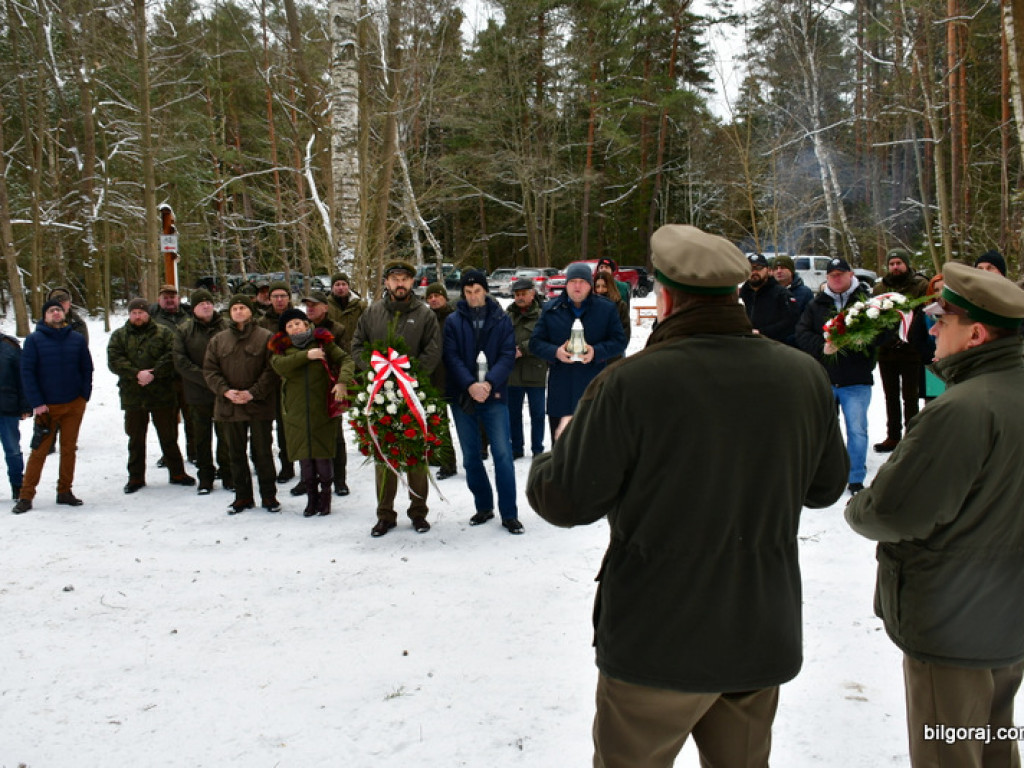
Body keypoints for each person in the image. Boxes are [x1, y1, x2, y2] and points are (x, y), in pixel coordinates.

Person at [527, 224, 849, 766]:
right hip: (757, 626)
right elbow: (824, 488)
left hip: (657, 637)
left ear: (667, 297)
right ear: (735, 294)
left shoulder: (631, 383)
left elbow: (565, 501)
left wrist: (554, 454)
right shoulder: (802, 375)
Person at [846, 262, 1024, 768]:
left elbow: (893, 512)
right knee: (992, 741)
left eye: (943, 320)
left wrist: (859, 507)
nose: (931, 328)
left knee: (949, 749)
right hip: (1007, 613)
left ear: (976, 335)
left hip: (953, 617)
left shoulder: (962, 409)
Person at [351, 259, 441, 537]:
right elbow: (357, 345)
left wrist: (408, 376)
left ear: (412, 282)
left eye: (405, 279)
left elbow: (433, 350)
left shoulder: (425, 314)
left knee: (415, 457)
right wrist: (376, 371)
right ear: (387, 283)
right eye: (395, 279)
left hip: (413, 393)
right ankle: (385, 514)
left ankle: (418, 512)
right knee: (384, 455)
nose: (399, 283)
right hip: (379, 393)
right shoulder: (372, 313)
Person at [443, 270, 523, 534]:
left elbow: (507, 353)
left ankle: (509, 513)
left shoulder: (501, 319)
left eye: (477, 291)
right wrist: (470, 385)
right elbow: (451, 356)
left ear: (485, 290)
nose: (473, 297)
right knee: (470, 457)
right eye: (468, 292)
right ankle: (484, 506)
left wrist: (488, 383)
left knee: (502, 454)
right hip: (464, 395)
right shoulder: (454, 321)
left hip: (495, 394)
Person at [796, 257, 876, 494]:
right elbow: (801, 333)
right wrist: (822, 345)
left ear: (851, 275)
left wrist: (867, 339)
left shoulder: (866, 302)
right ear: (827, 278)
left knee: (857, 430)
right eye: (832, 275)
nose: (837, 278)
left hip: (856, 379)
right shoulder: (816, 304)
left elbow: (885, 330)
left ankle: (855, 477)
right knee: (824, 430)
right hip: (826, 378)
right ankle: (826, 474)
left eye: (841, 273)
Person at [269, 307, 353, 518]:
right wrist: (307, 355)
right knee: (304, 458)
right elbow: (280, 367)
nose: (295, 327)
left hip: (321, 407)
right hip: (295, 411)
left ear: (307, 324)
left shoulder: (323, 342)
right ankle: (311, 499)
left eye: (298, 323)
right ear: (285, 331)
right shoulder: (281, 350)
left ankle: (325, 498)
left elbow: (347, 360)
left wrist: (342, 382)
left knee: (323, 455)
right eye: (289, 325)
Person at [13, 300, 94, 514]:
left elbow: (87, 367)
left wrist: (84, 395)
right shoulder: (33, 340)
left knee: (69, 450)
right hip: (46, 408)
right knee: (38, 452)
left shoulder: (76, 339)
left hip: (73, 405)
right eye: (51, 311)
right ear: (44, 316)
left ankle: (64, 491)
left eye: (58, 310)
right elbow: (27, 373)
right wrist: (37, 403)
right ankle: (26, 495)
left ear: (64, 314)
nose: (56, 313)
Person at [107, 298, 196, 494]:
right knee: (135, 438)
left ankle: (177, 473)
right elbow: (114, 359)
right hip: (133, 395)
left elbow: (172, 355)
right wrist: (136, 373)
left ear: (148, 314)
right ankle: (136, 477)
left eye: (141, 312)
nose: (138, 316)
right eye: (134, 313)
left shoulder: (164, 333)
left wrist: (153, 373)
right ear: (129, 315)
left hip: (162, 393)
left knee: (168, 435)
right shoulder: (119, 336)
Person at [530, 262, 627, 437]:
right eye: (572, 281)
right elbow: (535, 343)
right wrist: (555, 352)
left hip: (594, 390)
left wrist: (596, 352)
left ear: (590, 285)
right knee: (561, 451)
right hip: (561, 391)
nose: (577, 286)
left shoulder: (606, 309)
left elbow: (619, 341)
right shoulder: (551, 309)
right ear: (565, 284)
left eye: (582, 281)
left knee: (593, 448)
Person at [204, 295, 280, 515]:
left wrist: (252, 393)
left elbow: (272, 370)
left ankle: (269, 495)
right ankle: (242, 496)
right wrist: (225, 391)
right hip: (229, 406)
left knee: (262, 452)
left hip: (258, 405)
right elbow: (209, 370)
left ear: (250, 311)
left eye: (243, 308)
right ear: (230, 312)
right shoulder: (219, 340)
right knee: (235, 453)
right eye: (235, 308)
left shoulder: (266, 337)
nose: (238, 311)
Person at [290, 292, 354, 497]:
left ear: (325, 307)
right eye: (307, 305)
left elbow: (345, 357)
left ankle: (339, 480)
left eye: (314, 305)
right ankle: (306, 479)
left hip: (331, 389)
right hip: (305, 391)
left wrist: (340, 380)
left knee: (335, 437)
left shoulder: (337, 329)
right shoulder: (298, 330)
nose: (310, 308)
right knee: (306, 437)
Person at [172, 289, 233, 495]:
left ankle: (227, 473)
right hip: (197, 391)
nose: (206, 306)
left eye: (209, 302)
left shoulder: (226, 325)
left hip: (224, 391)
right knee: (201, 436)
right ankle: (205, 476)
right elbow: (180, 361)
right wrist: (207, 378)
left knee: (225, 435)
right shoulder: (184, 330)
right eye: (201, 303)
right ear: (194, 308)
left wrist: (221, 382)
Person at [871, 249, 929, 453]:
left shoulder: (920, 286)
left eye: (899, 263)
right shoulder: (880, 288)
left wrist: (906, 338)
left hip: (911, 350)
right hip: (887, 352)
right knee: (890, 395)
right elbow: (873, 317)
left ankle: (911, 436)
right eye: (892, 263)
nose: (895, 267)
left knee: (910, 395)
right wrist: (887, 340)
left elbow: (923, 315)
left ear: (907, 264)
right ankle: (893, 436)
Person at [149, 284, 194, 464]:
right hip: (164, 377)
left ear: (178, 298)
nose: (169, 300)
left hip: (188, 376)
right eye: (165, 297)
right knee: (167, 421)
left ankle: (195, 451)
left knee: (192, 417)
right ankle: (170, 455)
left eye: (172, 296)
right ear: (159, 300)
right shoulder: (152, 318)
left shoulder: (189, 315)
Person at [258, 281, 295, 482]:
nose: (279, 300)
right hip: (268, 380)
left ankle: (289, 465)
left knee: (286, 426)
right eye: (275, 296)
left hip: (290, 380)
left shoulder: (297, 318)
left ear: (288, 298)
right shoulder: (262, 323)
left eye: (283, 296)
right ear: (269, 299)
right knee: (266, 427)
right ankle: (270, 465)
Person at [505, 277, 546, 459]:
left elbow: (544, 338)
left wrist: (522, 349)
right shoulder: (508, 315)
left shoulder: (542, 315)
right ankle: (516, 448)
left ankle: (537, 448)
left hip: (535, 369)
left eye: (523, 294)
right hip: (513, 373)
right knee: (513, 414)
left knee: (537, 414)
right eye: (517, 294)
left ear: (532, 293)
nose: (520, 297)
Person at [424, 282, 458, 479]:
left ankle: (451, 461)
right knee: (437, 420)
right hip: (433, 377)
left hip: (453, 375)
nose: (433, 299)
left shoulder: (454, 317)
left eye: (437, 295)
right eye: (429, 297)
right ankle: (442, 458)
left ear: (445, 297)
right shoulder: (427, 318)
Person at [739, 253, 798, 342]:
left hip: (773, 346)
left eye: (758, 268)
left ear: (768, 270)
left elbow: (790, 323)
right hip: (746, 344)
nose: (754, 272)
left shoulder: (781, 294)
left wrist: (762, 332)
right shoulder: (742, 293)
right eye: (750, 268)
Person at [0, 331, 30, 499]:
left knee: (12, 449)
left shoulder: (10, 347)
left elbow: (23, 378)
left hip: (7, 407)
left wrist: (25, 405)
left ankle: (18, 485)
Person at [772, 256, 815, 346]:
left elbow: (809, 322)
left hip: (796, 344)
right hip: (772, 344)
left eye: (783, 268)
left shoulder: (805, 293)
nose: (779, 271)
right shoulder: (767, 292)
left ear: (791, 271)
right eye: (776, 268)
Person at [325, 272, 365, 351]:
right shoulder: (325, 306)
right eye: (337, 284)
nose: (341, 287)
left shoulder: (360, 306)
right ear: (332, 288)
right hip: (333, 351)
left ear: (348, 287)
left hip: (355, 350)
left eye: (344, 284)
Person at [593, 273, 631, 347]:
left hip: (615, 352)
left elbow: (625, 331)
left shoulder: (620, 306)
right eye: (597, 286)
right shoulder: (591, 305)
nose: (600, 290)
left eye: (604, 286)